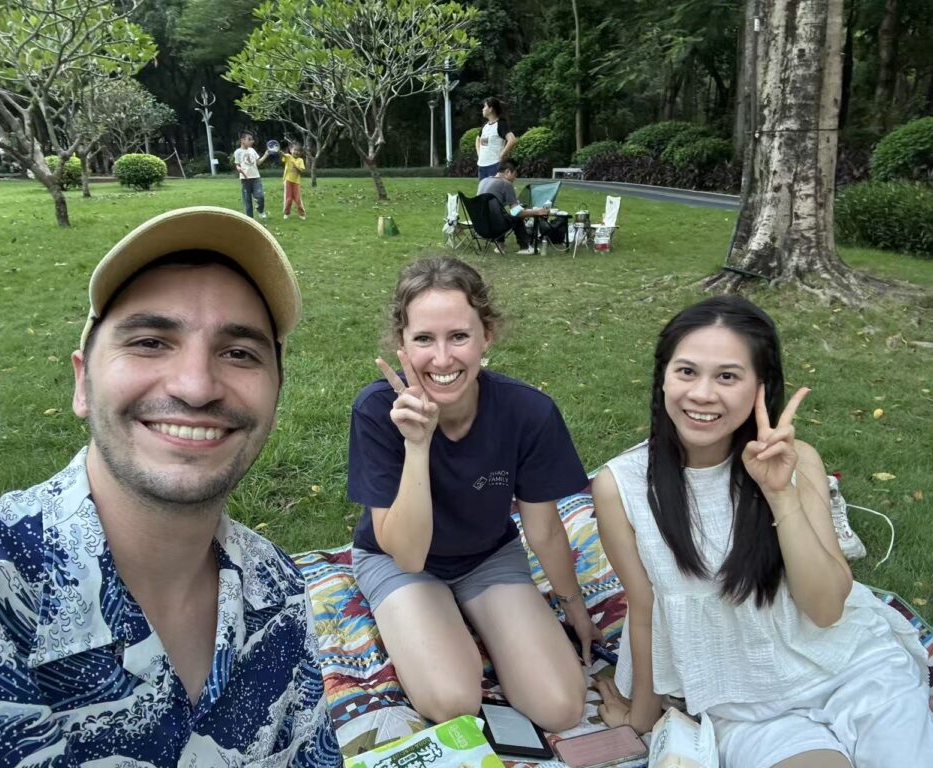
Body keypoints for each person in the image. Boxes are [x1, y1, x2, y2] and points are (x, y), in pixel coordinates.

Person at [0, 206, 341, 766]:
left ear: (276, 401)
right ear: (82, 383)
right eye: (150, 342)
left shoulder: (278, 590)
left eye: (239, 353)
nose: (196, 387)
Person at [593, 296, 933, 767]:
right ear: (663, 377)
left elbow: (826, 609)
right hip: (744, 705)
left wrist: (780, 495)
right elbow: (646, 609)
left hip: (852, 667)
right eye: (687, 371)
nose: (702, 394)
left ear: (761, 386)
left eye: (727, 377)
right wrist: (640, 720)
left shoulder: (797, 462)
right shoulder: (621, 486)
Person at [347, 257, 600, 732]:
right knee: (452, 701)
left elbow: (544, 529)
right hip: (399, 560)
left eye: (459, 336)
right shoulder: (377, 410)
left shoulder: (528, 412)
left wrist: (574, 606)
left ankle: (470, 613)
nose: (442, 359)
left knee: (562, 707)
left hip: (488, 557)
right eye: (424, 339)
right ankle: (435, 616)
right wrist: (417, 445)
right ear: (402, 342)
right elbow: (407, 554)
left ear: (488, 336)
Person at [477, 158, 548, 255]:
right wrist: (537, 212)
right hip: (493, 227)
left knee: (499, 213)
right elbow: (517, 212)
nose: (515, 178)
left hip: (480, 225)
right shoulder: (505, 183)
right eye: (515, 174)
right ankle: (525, 247)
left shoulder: (484, 181)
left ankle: (500, 246)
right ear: (507, 171)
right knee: (516, 217)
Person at [475, 97, 517, 180]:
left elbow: (512, 140)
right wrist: (479, 154)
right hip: (482, 166)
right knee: (484, 188)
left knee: (494, 187)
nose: (483, 109)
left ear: (491, 109)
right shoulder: (485, 126)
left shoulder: (501, 124)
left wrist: (502, 155)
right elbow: (479, 140)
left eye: (485, 106)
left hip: (494, 165)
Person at [234, 131, 268, 219]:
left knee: (260, 196)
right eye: (249, 139)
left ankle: (260, 210)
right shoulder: (238, 152)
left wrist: (265, 155)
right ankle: (249, 219)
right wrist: (239, 169)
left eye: (252, 139)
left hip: (256, 177)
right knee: (247, 200)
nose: (252, 141)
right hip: (245, 179)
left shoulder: (252, 150)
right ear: (242, 140)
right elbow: (237, 165)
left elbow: (258, 162)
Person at [281, 143, 307, 220]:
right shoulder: (288, 156)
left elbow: (301, 171)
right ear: (291, 150)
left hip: (296, 182)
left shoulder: (300, 160)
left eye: (298, 151)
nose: (296, 152)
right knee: (288, 198)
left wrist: (295, 165)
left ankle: (301, 214)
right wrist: (281, 153)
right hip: (287, 180)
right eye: (295, 150)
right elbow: (283, 155)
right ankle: (286, 213)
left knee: (298, 199)